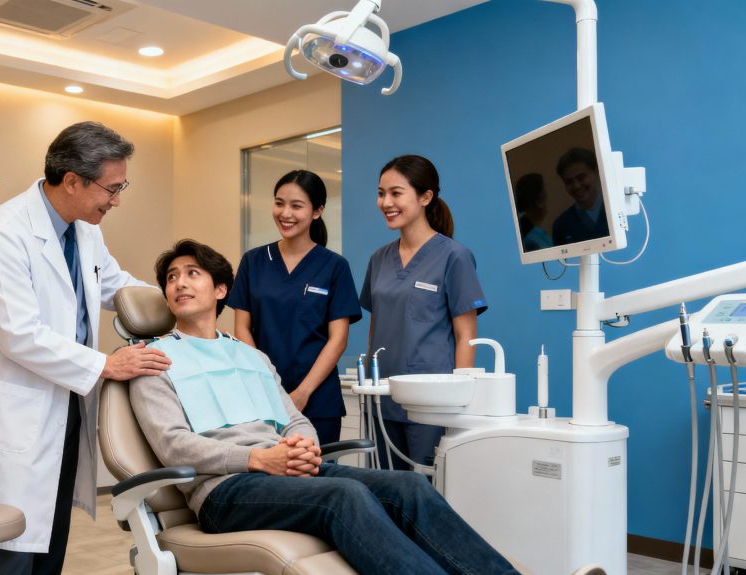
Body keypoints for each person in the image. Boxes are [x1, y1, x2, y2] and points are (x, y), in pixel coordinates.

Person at [129, 239, 520, 575]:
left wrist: (301, 447)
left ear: (220, 290)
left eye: (192, 273)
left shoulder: (250, 356)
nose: (179, 282)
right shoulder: (153, 359)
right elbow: (173, 445)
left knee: (410, 486)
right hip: (225, 491)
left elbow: (295, 419)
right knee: (344, 496)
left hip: (287, 473)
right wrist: (258, 460)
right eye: (171, 277)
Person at [0, 121, 172, 574]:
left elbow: (115, 286)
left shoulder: (84, 231)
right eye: (112, 187)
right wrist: (107, 364)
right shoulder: (3, 233)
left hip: (63, 404)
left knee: (50, 536)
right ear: (72, 181)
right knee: (11, 543)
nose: (117, 200)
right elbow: (18, 333)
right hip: (15, 408)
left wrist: (182, 301)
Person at [359, 155, 488, 470]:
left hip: (432, 404)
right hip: (382, 399)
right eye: (381, 193)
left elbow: (466, 337)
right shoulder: (379, 259)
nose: (385, 202)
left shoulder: (454, 257)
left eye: (396, 193)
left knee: (428, 493)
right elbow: (376, 329)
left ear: (426, 197)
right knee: (386, 493)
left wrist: (458, 405)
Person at [227, 170, 362, 444]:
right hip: (262, 396)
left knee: (321, 480)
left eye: (296, 206)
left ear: (317, 211)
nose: (285, 213)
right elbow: (241, 328)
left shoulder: (334, 266)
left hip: (317, 399)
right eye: (279, 203)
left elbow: (338, 339)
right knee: (269, 481)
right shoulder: (254, 261)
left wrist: (302, 392)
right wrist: (268, 383)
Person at [550, 147, 609, 246]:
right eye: (569, 182)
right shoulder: (561, 225)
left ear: (596, 172)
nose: (576, 186)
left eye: (581, 177)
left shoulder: (616, 210)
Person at [514, 173, 552, 252]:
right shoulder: (532, 238)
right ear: (539, 200)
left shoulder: (523, 231)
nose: (547, 197)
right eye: (545, 192)